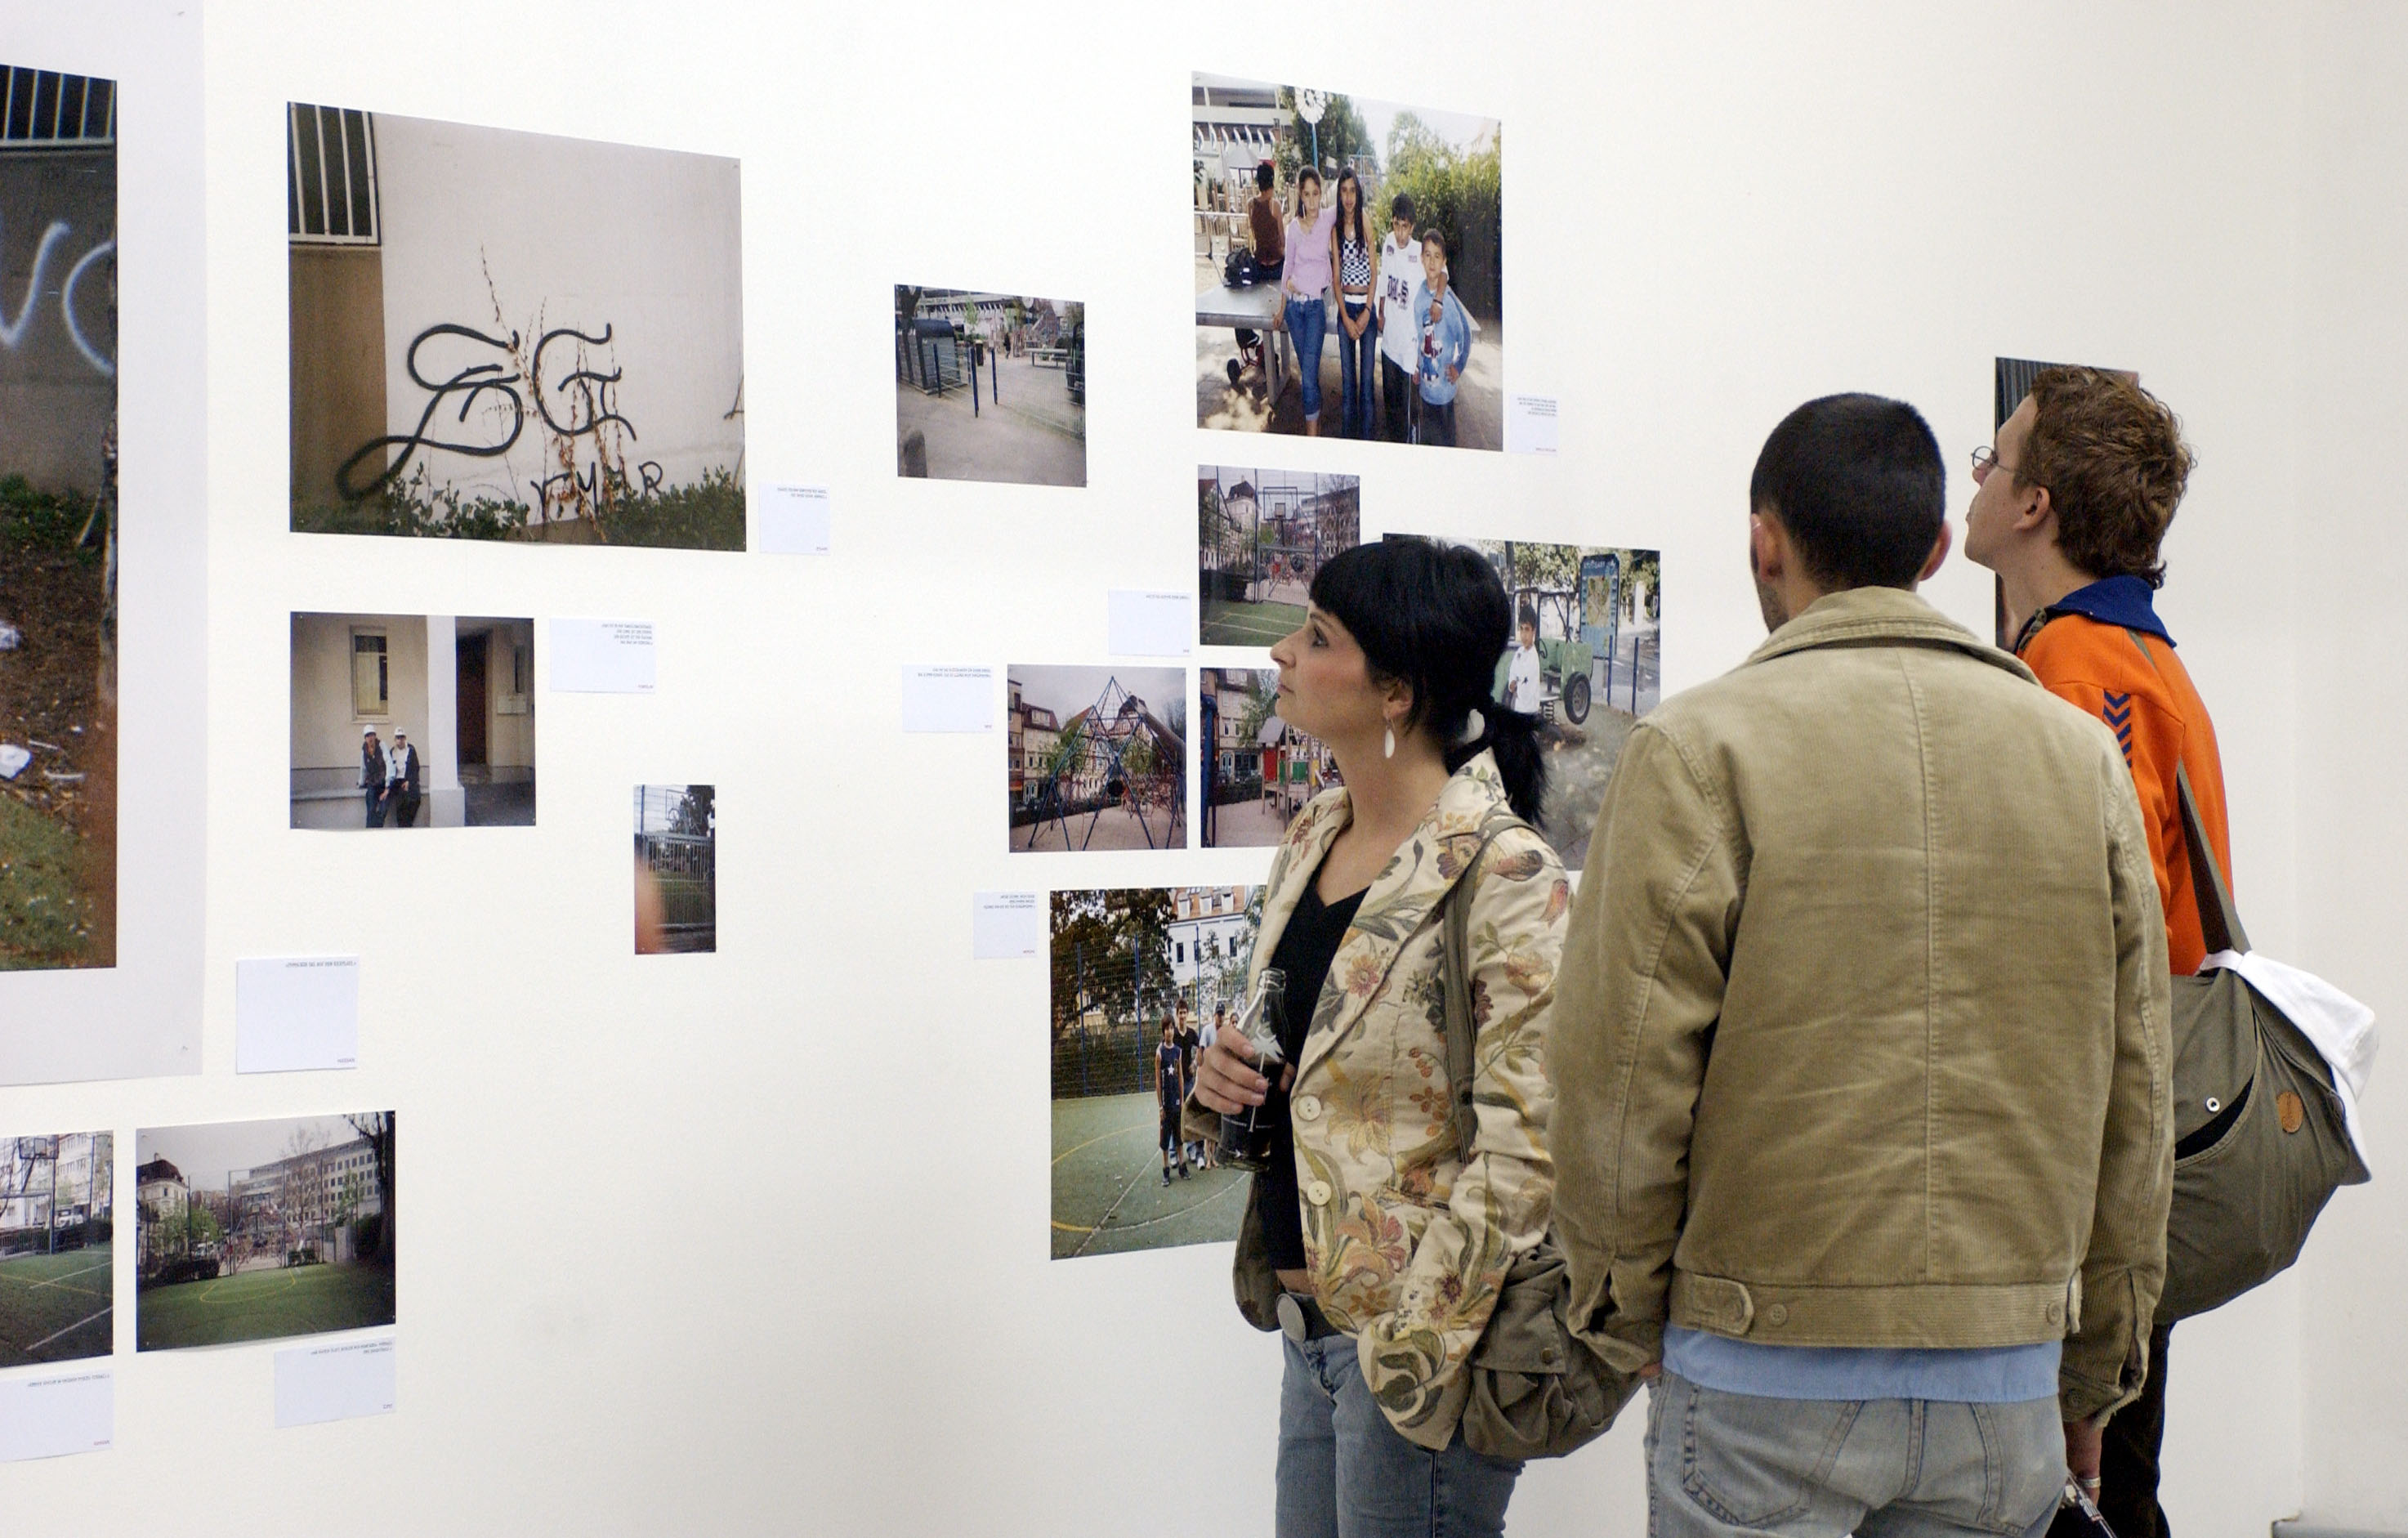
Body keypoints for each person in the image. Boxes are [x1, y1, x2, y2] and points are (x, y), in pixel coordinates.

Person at [1547, 393, 2174, 1538]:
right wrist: (2095, 1368)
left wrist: (1621, 1312)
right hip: (2002, 1366)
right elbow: (2134, 1086)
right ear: (1936, 551)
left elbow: (1618, 1071)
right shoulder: (2077, 759)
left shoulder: (1697, 747)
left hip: (1756, 1356)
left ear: (1762, 540)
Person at [1188, 537, 1566, 1538]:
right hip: (1306, 1331)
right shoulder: (1315, 830)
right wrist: (1221, 1070)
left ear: (1394, 692)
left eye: (1316, 637)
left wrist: (1409, 1352)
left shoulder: (1505, 871)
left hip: (1414, 1353)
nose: (1280, 651)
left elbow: (1528, 1147)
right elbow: (1297, 1041)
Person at [1966, 366, 2219, 1538]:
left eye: (1994, 457)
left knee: (2095, 1493)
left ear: (2033, 506)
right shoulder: (2132, 657)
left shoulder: (2076, 669)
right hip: (2122, 1132)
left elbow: (2077, 927)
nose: (1975, 475)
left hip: (2087, 1141)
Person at [1279, 168, 1335, 436]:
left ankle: (1311, 437)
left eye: (1316, 194)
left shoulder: (1327, 218)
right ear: (1300, 196)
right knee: (1308, 374)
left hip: (1314, 309)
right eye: (1307, 195)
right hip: (1293, 309)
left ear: (1321, 194)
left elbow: (1352, 203)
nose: (1312, 201)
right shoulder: (1292, 228)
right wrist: (1281, 308)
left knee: (1307, 379)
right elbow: (1287, 266)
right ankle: (1317, 413)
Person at [1410, 231, 1471, 448]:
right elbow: (1420, 336)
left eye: (1437, 256)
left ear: (1444, 261)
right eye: (1427, 255)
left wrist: (1459, 366)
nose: (1432, 261)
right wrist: (1417, 366)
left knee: (1446, 447)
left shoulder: (1447, 299)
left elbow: (1465, 334)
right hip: (1425, 392)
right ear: (1421, 259)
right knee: (1428, 445)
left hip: (1445, 394)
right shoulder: (1419, 298)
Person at [1329, 168, 1378, 440]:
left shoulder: (1365, 221)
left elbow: (1374, 272)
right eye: (1344, 191)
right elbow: (1336, 280)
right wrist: (1347, 319)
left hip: (1366, 312)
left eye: (1353, 191)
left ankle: (1368, 444)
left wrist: (1368, 311)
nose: (1348, 197)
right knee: (1349, 386)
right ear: (1339, 195)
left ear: (1358, 194)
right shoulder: (1335, 230)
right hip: (1346, 310)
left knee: (1367, 386)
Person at [1376, 193, 1421, 443]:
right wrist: (1381, 312)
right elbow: (1384, 279)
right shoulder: (1389, 242)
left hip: (1408, 348)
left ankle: (1407, 446)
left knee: (1406, 411)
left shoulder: (1420, 251)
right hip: (1390, 342)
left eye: (1405, 227)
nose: (1401, 233)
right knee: (1390, 405)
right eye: (1396, 225)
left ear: (1412, 227)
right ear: (1392, 223)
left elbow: (1440, 276)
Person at [1155, 1019, 1188, 1187]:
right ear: (1163, 1032)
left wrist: (1182, 1100)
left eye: (1171, 1028)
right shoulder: (1160, 1052)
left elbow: (1180, 1076)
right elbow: (1158, 1081)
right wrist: (1160, 1106)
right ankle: (1166, 1170)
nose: (1169, 1031)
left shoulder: (1178, 1052)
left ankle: (1182, 1167)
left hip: (1176, 1102)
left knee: (1179, 1137)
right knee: (1165, 1140)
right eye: (1166, 1029)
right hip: (1166, 1105)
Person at [1248, 159, 1286, 284]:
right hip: (1276, 266)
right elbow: (1283, 240)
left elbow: (1254, 231)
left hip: (1259, 266)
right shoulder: (1275, 205)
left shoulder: (1251, 204)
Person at [1505, 607, 1542, 718]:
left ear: (1533, 631)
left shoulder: (1533, 658)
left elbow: (1526, 691)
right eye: (1521, 629)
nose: (1523, 635)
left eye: (1527, 629)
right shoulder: (1519, 653)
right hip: (1518, 707)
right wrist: (1512, 682)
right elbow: (1512, 672)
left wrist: (1516, 689)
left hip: (1528, 711)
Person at [386, 731, 422, 829]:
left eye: (402, 737)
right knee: (400, 800)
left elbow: (416, 767)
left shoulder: (411, 749)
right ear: (395, 739)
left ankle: (407, 824)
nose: (400, 740)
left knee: (416, 798)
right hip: (396, 781)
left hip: (408, 779)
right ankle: (403, 826)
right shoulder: (392, 751)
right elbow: (389, 769)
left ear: (405, 738)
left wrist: (409, 781)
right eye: (398, 738)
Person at [358, 726, 389, 828]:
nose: (370, 738)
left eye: (372, 735)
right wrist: (361, 782)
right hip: (372, 783)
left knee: (383, 810)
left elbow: (389, 764)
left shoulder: (382, 746)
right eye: (367, 736)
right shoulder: (364, 751)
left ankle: (377, 831)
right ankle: (369, 833)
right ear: (365, 738)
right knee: (371, 809)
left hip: (384, 784)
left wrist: (388, 785)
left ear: (375, 736)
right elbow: (363, 769)